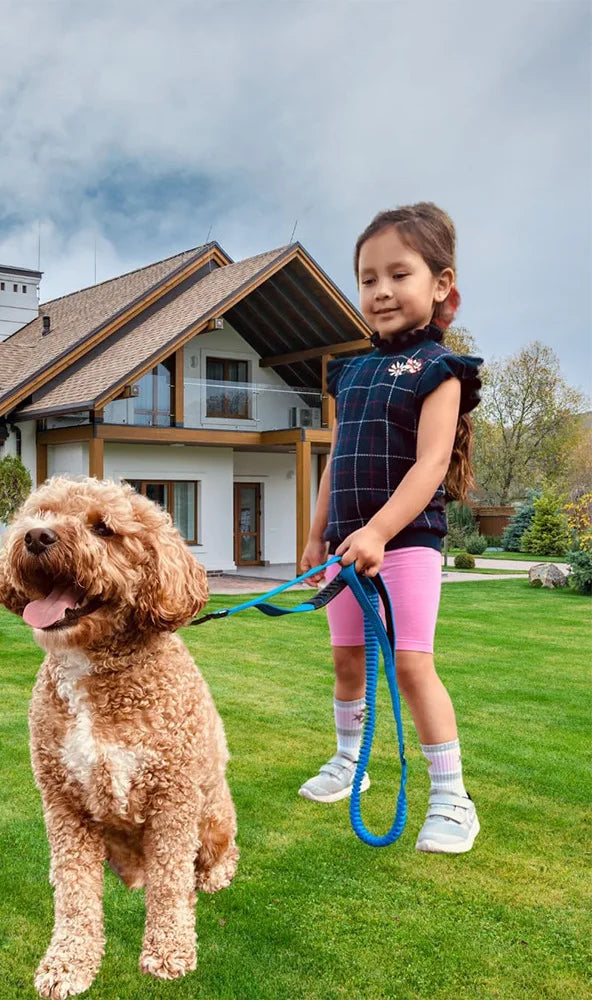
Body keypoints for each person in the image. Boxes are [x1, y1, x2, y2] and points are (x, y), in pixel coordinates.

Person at [299, 202, 483, 854]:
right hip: (347, 544)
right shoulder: (350, 372)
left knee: (410, 664)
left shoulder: (441, 370)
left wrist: (378, 532)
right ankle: (350, 762)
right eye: (368, 278)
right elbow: (336, 459)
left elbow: (431, 464)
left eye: (398, 275)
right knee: (347, 659)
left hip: (405, 544)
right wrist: (317, 534)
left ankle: (452, 798)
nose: (380, 290)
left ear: (440, 284)